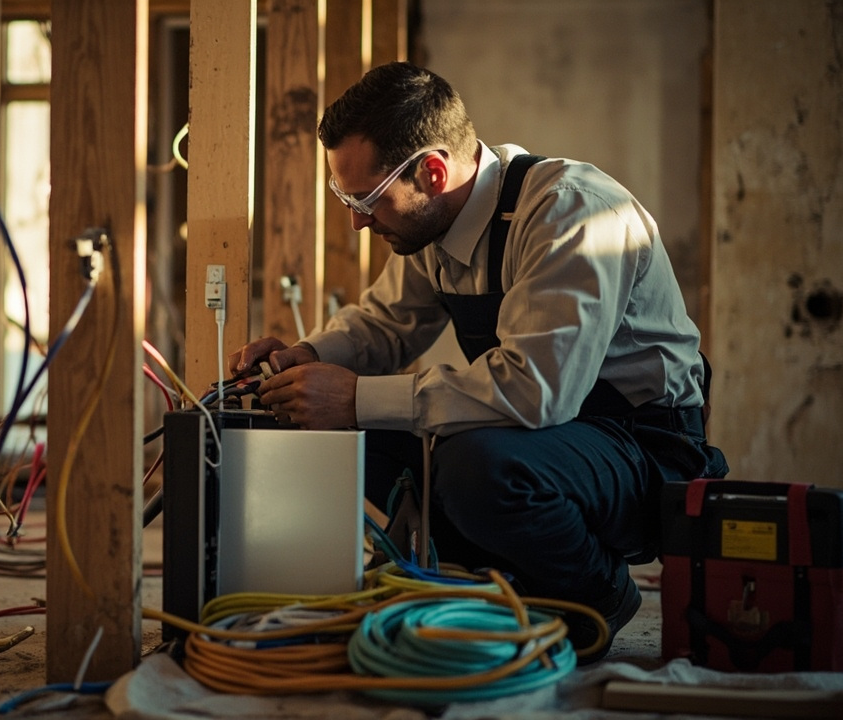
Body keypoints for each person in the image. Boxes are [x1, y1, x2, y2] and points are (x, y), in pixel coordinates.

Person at [230, 61, 728, 664]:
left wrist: (355, 397)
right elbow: (385, 323)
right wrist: (306, 360)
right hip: (551, 439)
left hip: (642, 450)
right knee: (353, 428)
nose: (358, 220)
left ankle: (597, 593)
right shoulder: (432, 227)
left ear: (433, 172)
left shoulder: (574, 213)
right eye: (345, 197)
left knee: (474, 465)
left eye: (365, 199)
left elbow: (536, 393)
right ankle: (482, 577)